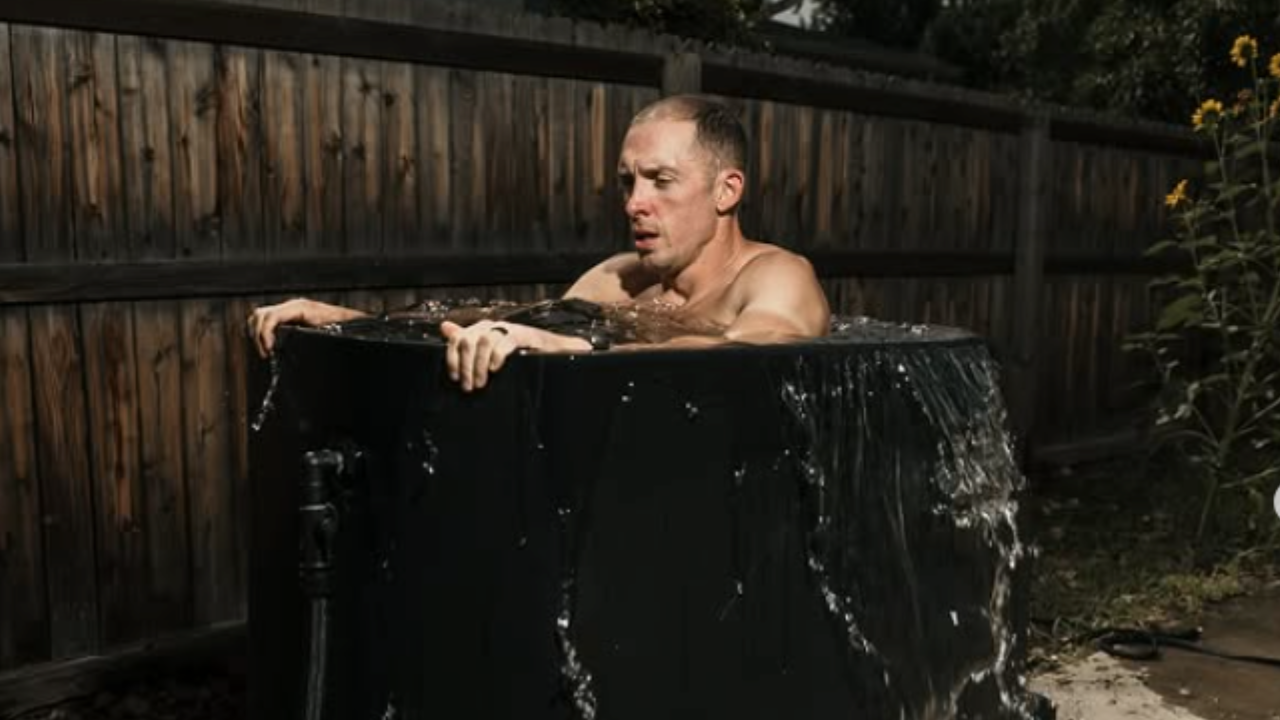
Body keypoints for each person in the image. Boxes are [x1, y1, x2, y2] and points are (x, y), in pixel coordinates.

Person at [248, 94, 831, 392]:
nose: (634, 203)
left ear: (727, 190)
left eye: (662, 180)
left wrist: (575, 352)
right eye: (628, 182)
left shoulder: (774, 276)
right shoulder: (620, 278)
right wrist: (349, 324)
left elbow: (756, 357)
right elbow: (491, 325)